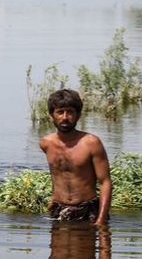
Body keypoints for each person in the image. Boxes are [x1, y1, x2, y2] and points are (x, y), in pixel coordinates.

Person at [40, 89, 112, 225]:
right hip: (58, 210)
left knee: (84, 246)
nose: (65, 117)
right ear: (51, 116)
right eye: (60, 112)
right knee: (57, 246)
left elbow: (105, 182)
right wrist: (52, 199)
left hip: (87, 211)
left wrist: (101, 220)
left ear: (78, 115)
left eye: (70, 112)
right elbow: (57, 173)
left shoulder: (91, 143)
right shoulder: (46, 143)